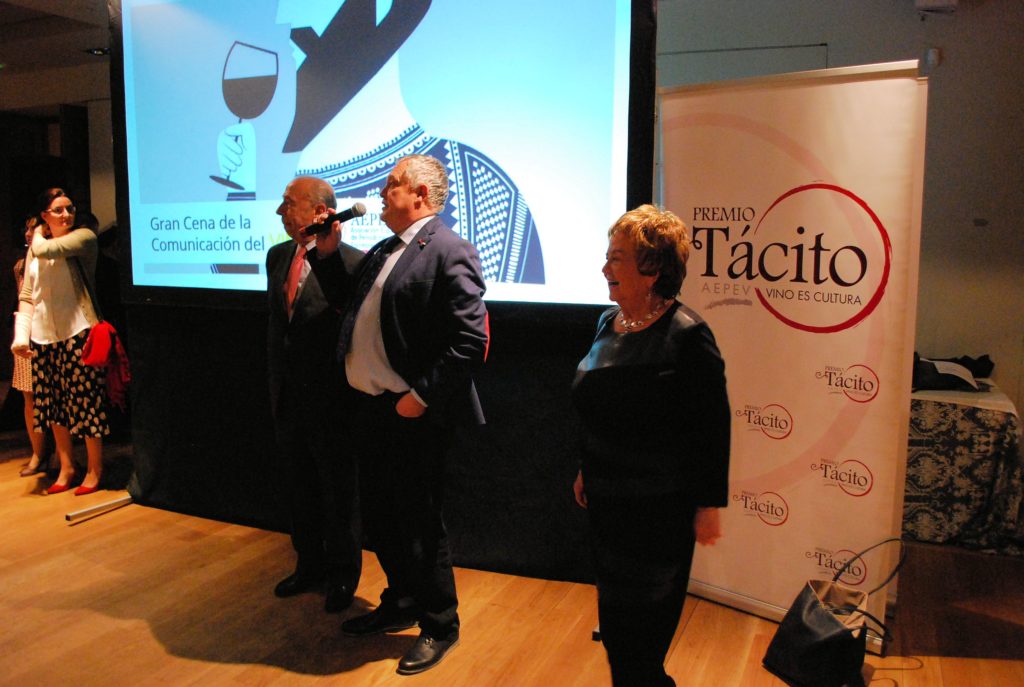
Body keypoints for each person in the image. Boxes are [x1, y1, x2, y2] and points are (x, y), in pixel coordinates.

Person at [315, 154, 489, 675]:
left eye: (392, 184)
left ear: (420, 194)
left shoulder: (449, 249)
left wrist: (420, 397)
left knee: (419, 521)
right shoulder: (385, 248)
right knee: (382, 517)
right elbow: (349, 306)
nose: (382, 192)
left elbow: (469, 340)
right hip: (370, 408)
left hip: (412, 413)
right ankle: (402, 601)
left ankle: (440, 623)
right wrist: (328, 254)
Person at [571, 205, 731, 687]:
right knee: (617, 627)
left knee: (641, 636)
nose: (605, 267)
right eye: (608, 257)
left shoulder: (688, 335)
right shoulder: (607, 323)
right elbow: (599, 406)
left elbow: (712, 426)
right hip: (607, 502)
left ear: (653, 268)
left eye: (617, 258)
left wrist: (707, 505)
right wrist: (586, 467)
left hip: (659, 510)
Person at [266, 176, 364, 613]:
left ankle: (342, 576)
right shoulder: (277, 256)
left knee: (337, 493)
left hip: (332, 402)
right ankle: (308, 565)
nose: (280, 211)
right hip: (287, 398)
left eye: (289, 203)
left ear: (321, 212)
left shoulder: (354, 263)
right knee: (298, 487)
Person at [11, 189, 109, 495]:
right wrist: (21, 336)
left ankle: (94, 468)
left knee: (86, 403)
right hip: (44, 335)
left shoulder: (83, 237)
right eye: (58, 210)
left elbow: (47, 250)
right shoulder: (36, 248)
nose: (67, 214)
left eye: (70, 208)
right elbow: (28, 294)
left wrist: (39, 234)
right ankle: (66, 467)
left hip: (78, 331)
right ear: (45, 215)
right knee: (52, 405)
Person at [12, 217, 47, 477]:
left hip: (49, 330)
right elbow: (23, 300)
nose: (28, 233)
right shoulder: (20, 265)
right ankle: (37, 453)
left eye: (33, 228)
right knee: (29, 396)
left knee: (54, 396)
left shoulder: (49, 258)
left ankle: (58, 455)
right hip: (27, 333)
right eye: (26, 228)